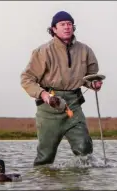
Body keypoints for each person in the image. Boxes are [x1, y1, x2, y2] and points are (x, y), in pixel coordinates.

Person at [20, 11, 103, 166]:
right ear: (54, 29)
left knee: (85, 149)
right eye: (62, 24)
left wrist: (94, 84)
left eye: (69, 24)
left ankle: (79, 184)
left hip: (74, 105)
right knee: (45, 156)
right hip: (49, 107)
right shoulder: (42, 51)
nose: (67, 27)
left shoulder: (85, 50)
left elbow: (91, 77)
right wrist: (43, 95)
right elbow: (26, 79)